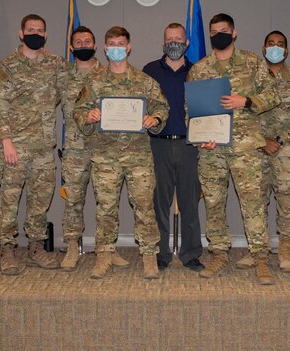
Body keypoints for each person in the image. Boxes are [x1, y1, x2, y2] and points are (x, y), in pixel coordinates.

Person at [187, 13, 278, 284]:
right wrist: (200, 137)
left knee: (253, 205)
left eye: (224, 30)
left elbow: (274, 95)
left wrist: (246, 100)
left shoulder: (252, 63)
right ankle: (218, 255)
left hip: (245, 148)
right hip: (212, 150)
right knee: (214, 204)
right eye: (214, 31)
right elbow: (189, 111)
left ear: (234, 33)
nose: (218, 35)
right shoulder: (200, 69)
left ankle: (261, 258)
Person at [76, 26, 168, 280]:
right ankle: (104, 255)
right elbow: (78, 110)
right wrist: (88, 116)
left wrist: (154, 118)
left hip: (138, 156)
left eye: (121, 44)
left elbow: (162, 106)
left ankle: (149, 255)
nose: (116, 48)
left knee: (144, 206)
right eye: (111, 44)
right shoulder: (93, 82)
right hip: (105, 157)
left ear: (128, 47)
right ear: (105, 49)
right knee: (105, 208)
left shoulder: (144, 81)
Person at [0, 14, 64, 275]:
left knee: (40, 201)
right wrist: (6, 142)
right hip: (16, 147)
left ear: (45, 35)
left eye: (40, 30)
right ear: (21, 34)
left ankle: (36, 248)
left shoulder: (55, 64)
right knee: (10, 200)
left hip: (44, 147)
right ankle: (7, 249)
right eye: (30, 29)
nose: (35, 33)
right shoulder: (7, 66)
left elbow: (73, 88)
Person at [60, 26, 125, 271]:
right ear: (71, 47)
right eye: (78, 42)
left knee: (107, 201)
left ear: (97, 46)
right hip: (75, 148)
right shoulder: (62, 75)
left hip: (104, 147)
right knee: (73, 200)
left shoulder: (109, 72)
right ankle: (71, 247)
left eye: (88, 41)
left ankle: (107, 248)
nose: (83, 45)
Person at [142, 23, 204, 272]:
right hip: (159, 145)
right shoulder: (149, 71)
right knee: (159, 203)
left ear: (187, 42)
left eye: (179, 39)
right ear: (163, 42)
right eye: (169, 39)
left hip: (191, 145)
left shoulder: (199, 71)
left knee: (190, 203)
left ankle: (190, 254)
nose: (174, 43)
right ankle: (161, 253)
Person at [257, 30, 290, 272]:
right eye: (271, 44)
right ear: (263, 48)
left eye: (280, 45)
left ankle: (285, 251)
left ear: (287, 51)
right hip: (255, 150)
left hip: (286, 151)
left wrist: (278, 139)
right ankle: (256, 251)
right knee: (255, 203)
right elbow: (242, 112)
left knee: (288, 203)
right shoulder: (251, 78)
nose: (275, 48)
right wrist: (262, 140)